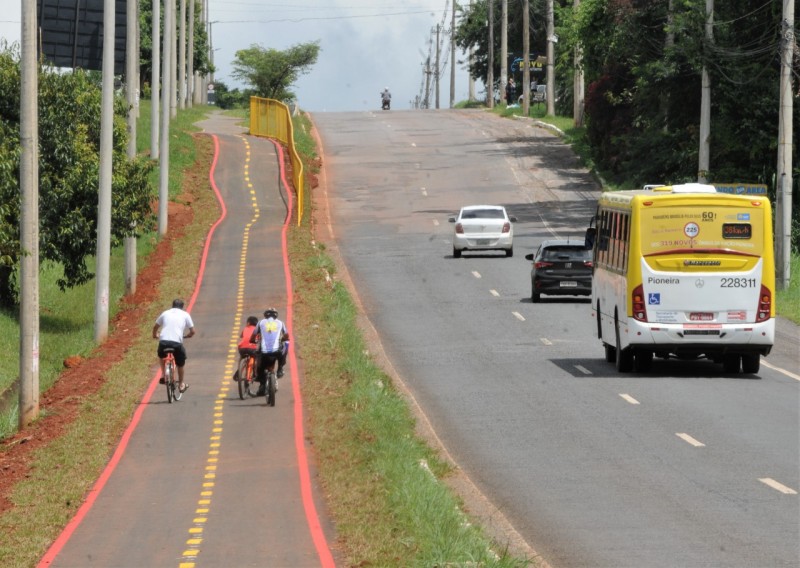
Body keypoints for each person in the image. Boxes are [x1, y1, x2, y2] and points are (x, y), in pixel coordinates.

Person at [153, 298, 195, 393]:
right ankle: (181, 384)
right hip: (176, 344)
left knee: (161, 355)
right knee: (181, 363)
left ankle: (163, 374)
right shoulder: (185, 315)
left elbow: (155, 326)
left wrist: (154, 335)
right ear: (182, 307)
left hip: (163, 342)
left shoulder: (165, 313)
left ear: (172, 306)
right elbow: (193, 331)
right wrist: (188, 336)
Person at [250, 307, 289, 395]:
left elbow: (253, 335)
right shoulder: (280, 323)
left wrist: (252, 340)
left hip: (264, 353)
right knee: (285, 346)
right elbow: (287, 335)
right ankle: (280, 369)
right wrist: (283, 339)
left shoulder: (260, 323)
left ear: (265, 315)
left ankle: (261, 381)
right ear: (276, 315)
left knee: (260, 367)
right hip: (277, 352)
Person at [233, 316, 259, 381]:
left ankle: (239, 371)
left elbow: (241, 336)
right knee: (256, 358)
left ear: (248, 323)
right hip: (252, 349)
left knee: (242, 357)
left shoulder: (245, 328)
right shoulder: (257, 330)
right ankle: (255, 373)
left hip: (242, 348)